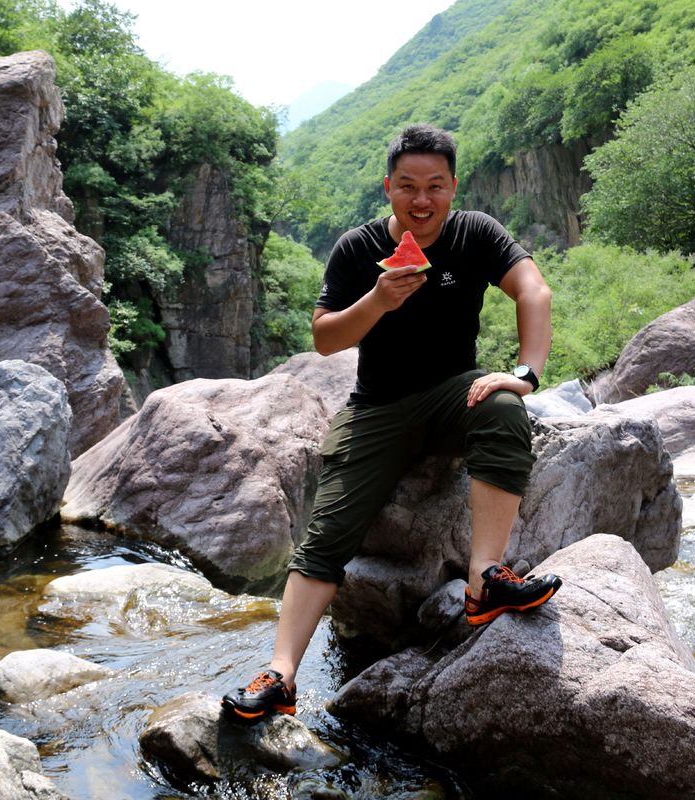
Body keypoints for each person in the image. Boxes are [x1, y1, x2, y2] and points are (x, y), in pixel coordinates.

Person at [221, 123, 562, 722]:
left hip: (454, 393)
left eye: (435, 185)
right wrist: (377, 300)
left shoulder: (476, 233)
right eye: (407, 186)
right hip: (376, 408)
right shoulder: (357, 249)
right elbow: (326, 339)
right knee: (326, 535)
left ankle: (486, 580)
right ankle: (281, 675)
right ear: (387, 188)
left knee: (505, 408)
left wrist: (527, 374)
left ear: (454, 188)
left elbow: (534, 291)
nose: (421, 200)